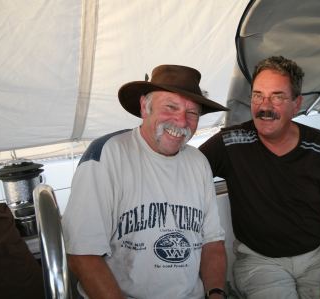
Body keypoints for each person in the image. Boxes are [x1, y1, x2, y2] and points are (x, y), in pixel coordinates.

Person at [62, 65, 229, 299]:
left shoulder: (198, 162)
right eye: (171, 107)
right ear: (144, 107)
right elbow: (82, 255)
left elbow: (212, 242)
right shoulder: (107, 155)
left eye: (192, 113)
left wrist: (216, 294)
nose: (181, 121)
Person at [199, 56, 320, 299]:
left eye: (277, 96)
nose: (265, 106)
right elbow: (186, 170)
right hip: (259, 263)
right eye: (257, 95)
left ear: (296, 104)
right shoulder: (230, 143)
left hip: (318, 258)